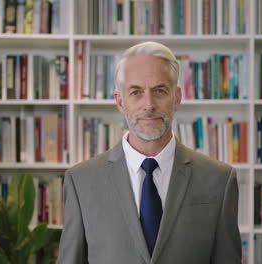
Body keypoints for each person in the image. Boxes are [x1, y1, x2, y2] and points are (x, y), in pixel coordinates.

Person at [57, 41, 242, 264]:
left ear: (177, 98)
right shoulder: (81, 182)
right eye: (136, 92)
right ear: (120, 102)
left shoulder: (219, 180)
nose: (149, 105)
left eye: (160, 91)